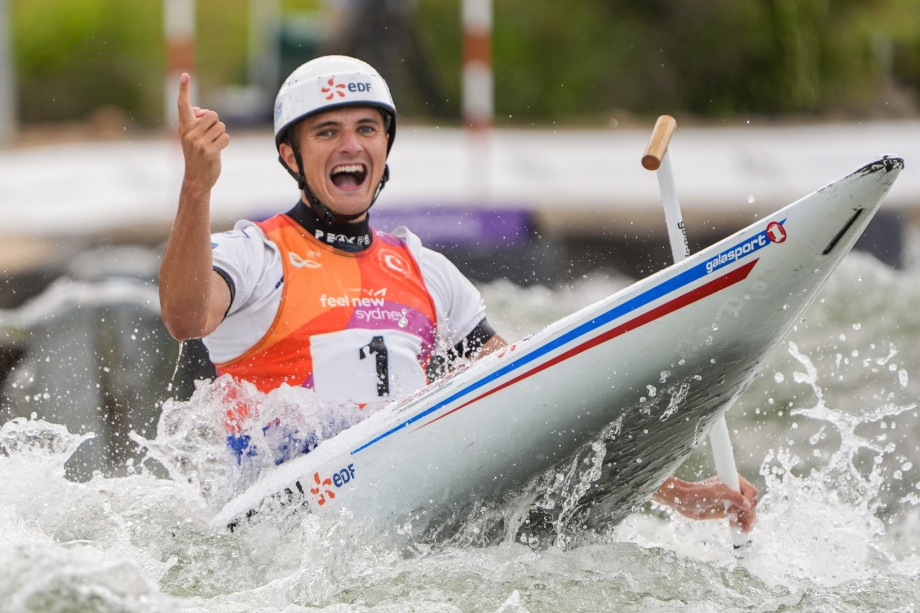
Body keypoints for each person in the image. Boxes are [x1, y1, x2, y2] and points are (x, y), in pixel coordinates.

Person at [158, 55, 757, 531]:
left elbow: (532, 399)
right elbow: (185, 318)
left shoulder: (426, 271)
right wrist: (196, 189)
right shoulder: (256, 254)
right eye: (327, 132)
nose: (351, 145)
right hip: (287, 531)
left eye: (367, 128)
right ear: (290, 154)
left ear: (385, 147)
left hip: (410, 512)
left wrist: (667, 490)